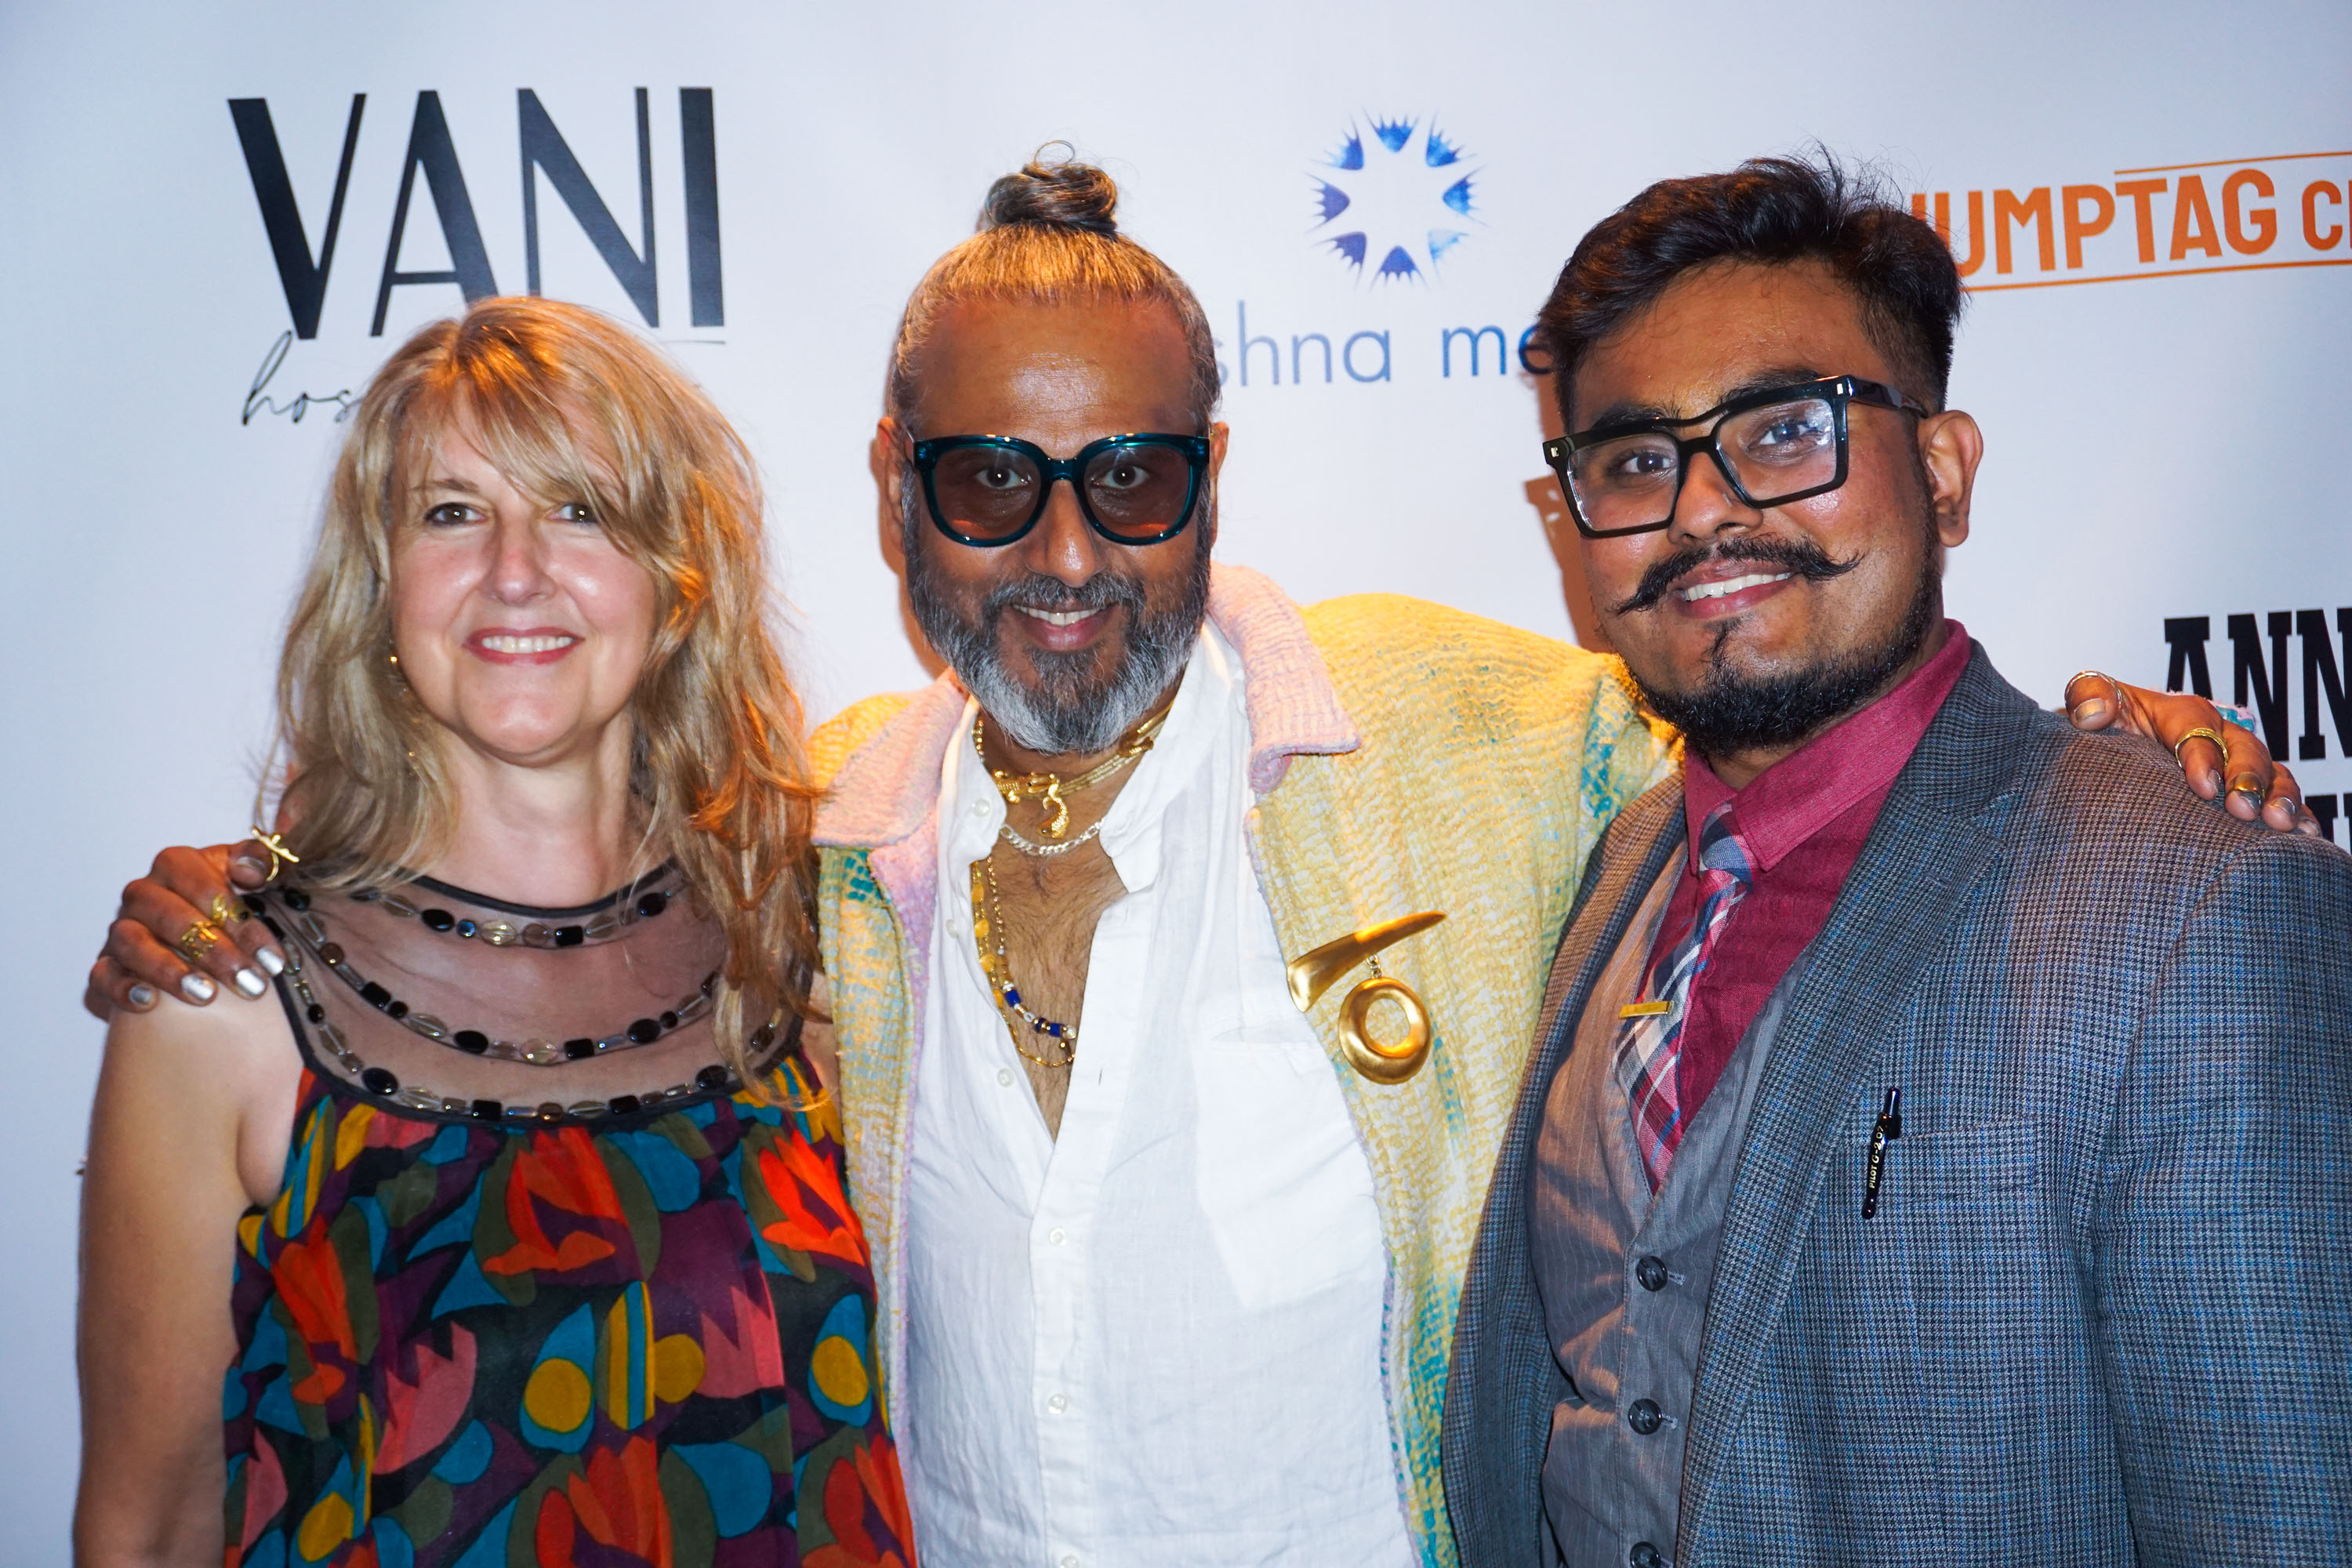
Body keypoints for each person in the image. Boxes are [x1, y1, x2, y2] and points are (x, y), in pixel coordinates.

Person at [87, 158, 2310, 1568]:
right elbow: (501, 851)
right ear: (893, 489)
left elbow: (1793, 698)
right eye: (990, 487)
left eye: (1135, 480)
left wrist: (2112, 740)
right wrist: (238, 899)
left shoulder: (1483, 736)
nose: (1066, 557)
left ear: (1215, 475)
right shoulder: (807, 858)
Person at [1439, 155, 2352, 1567]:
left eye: (1786, 430)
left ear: (1942, 470)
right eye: (1632, 461)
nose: (1700, 512)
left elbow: (2281, 1519)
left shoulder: (2196, 902)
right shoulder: (1612, 858)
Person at [75, 298, 913, 1567]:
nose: (516, 571)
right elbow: (148, 1530)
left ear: (678, 585)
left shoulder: (810, 944)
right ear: (383, 587)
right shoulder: (221, 996)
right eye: (452, 514)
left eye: (580, 510)